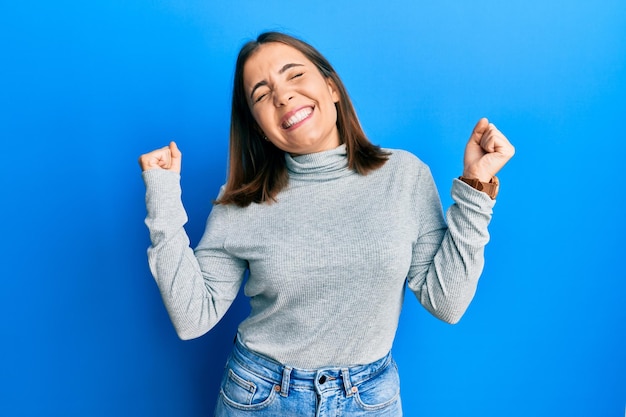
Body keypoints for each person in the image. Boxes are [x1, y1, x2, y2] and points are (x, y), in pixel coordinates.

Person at [138, 31, 514, 417]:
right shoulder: (242, 202)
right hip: (260, 399)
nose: (282, 95)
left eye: (294, 75)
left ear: (331, 87)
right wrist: (163, 200)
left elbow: (446, 302)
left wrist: (476, 188)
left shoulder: (404, 176)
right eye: (262, 95)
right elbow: (191, 318)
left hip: (370, 400)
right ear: (258, 127)